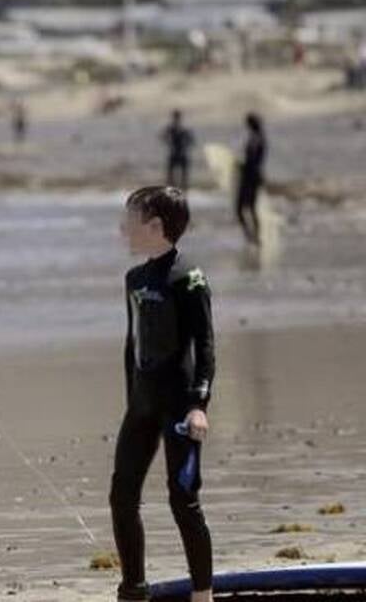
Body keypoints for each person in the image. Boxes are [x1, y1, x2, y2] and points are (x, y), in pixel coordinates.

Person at [112, 186, 216, 602]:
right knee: (122, 496)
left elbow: (205, 344)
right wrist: (130, 398)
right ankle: (133, 589)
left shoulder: (188, 277)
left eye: (130, 221)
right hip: (141, 405)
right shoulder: (134, 279)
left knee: (183, 499)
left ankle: (203, 595)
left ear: (156, 227)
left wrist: (198, 405)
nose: (123, 229)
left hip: (179, 405)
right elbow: (131, 344)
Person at [236, 112, 268, 246]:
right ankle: (255, 237)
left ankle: (251, 237)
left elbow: (252, 160)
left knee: (240, 208)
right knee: (251, 207)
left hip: (249, 176)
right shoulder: (261, 138)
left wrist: (241, 166)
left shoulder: (255, 139)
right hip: (256, 176)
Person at [160, 110, 195, 190]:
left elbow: (191, 140)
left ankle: (182, 192)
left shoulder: (183, 129)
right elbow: (162, 136)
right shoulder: (172, 128)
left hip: (180, 153)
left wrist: (185, 145)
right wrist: (168, 142)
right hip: (176, 153)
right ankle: (172, 192)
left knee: (182, 178)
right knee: (171, 177)